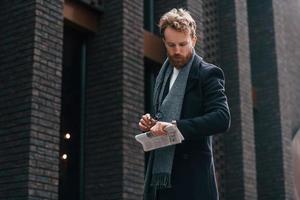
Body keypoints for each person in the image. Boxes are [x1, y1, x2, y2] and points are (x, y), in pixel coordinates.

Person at [138, 8, 231, 200]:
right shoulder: (162, 77)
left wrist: (176, 127)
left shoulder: (208, 74)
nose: (177, 51)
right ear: (164, 42)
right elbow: (167, 118)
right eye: (171, 45)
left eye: (183, 44)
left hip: (193, 182)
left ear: (194, 40)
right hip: (164, 181)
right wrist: (153, 124)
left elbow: (222, 118)